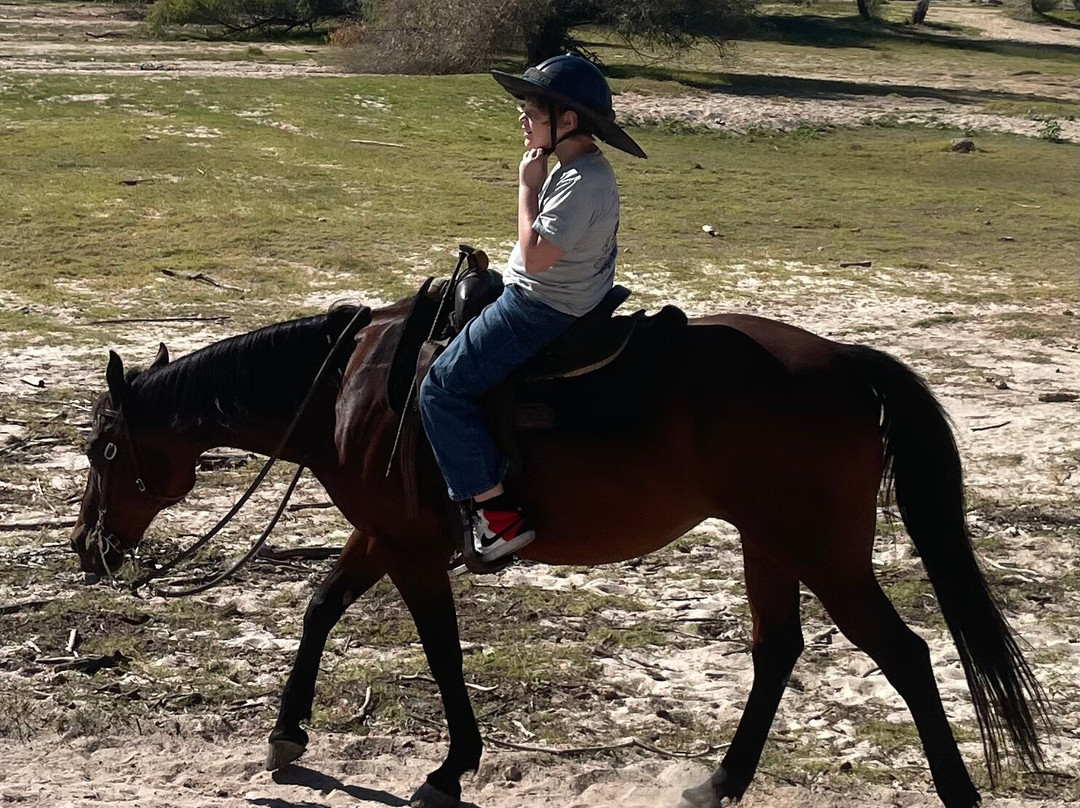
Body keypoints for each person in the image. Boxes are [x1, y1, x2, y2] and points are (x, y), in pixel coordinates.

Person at [418, 54, 646, 562]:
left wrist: (526, 189)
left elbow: (538, 257)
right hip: (563, 295)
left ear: (567, 121)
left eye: (532, 111)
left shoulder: (578, 180)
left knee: (440, 388)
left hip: (539, 305)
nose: (522, 120)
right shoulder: (582, 170)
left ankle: (497, 520)